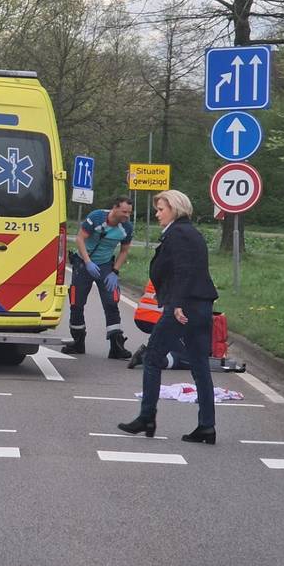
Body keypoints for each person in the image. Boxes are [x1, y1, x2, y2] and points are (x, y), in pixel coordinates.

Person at [119, 190, 219, 445]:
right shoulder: (191, 232)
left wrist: (176, 304)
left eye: (161, 209)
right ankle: (207, 426)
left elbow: (183, 271)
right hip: (200, 305)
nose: (157, 213)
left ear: (174, 209)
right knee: (199, 364)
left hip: (183, 307)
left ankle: (147, 416)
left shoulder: (177, 234)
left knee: (152, 357)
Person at [62, 195, 134, 359]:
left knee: (111, 302)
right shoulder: (96, 217)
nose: (127, 216)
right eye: (124, 212)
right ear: (114, 208)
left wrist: (114, 271)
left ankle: (116, 346)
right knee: (77, 302)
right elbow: (80, 239)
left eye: (129, 213)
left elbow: (124, 251)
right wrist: (87, 262)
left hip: (106, 266)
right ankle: (78, 342)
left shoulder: (127, 228)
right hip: (84, 264)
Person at [127, 281, 192, 371]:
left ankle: (151, 351)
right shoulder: (183, 275)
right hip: (157, 319)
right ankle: (148, 357)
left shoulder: (161, 269)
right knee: (188, 360)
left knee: (166, 341)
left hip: (142, 316)